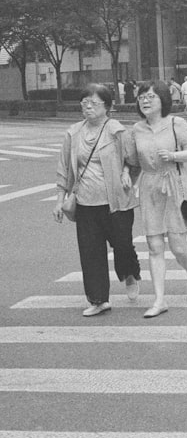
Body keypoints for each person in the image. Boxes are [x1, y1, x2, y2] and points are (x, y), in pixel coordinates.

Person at [53, 84, 142, 317]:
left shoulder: (116, 130)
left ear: (108, 106)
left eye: (94, 103)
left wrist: (126, 175)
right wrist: (59, 200)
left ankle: (130, 273)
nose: (88, 106)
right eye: (84, 102)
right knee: (91, 253)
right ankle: (99, 299)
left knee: (122, 245)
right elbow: (64, 170)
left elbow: (133, 160)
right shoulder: (73, 133)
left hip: (117, 203)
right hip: (85, 203)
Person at [128, 81, 187, 318]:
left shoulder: (175, 123)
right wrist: (125, 175)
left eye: (150, 96)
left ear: (162, 100)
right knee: (154, 245)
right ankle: (159, 300)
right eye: (142, 98)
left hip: (174, 185)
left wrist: (173, 155)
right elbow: (134, 162)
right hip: (149, 186)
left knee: (178, 246)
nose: (145, 101)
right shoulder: (136, 129)